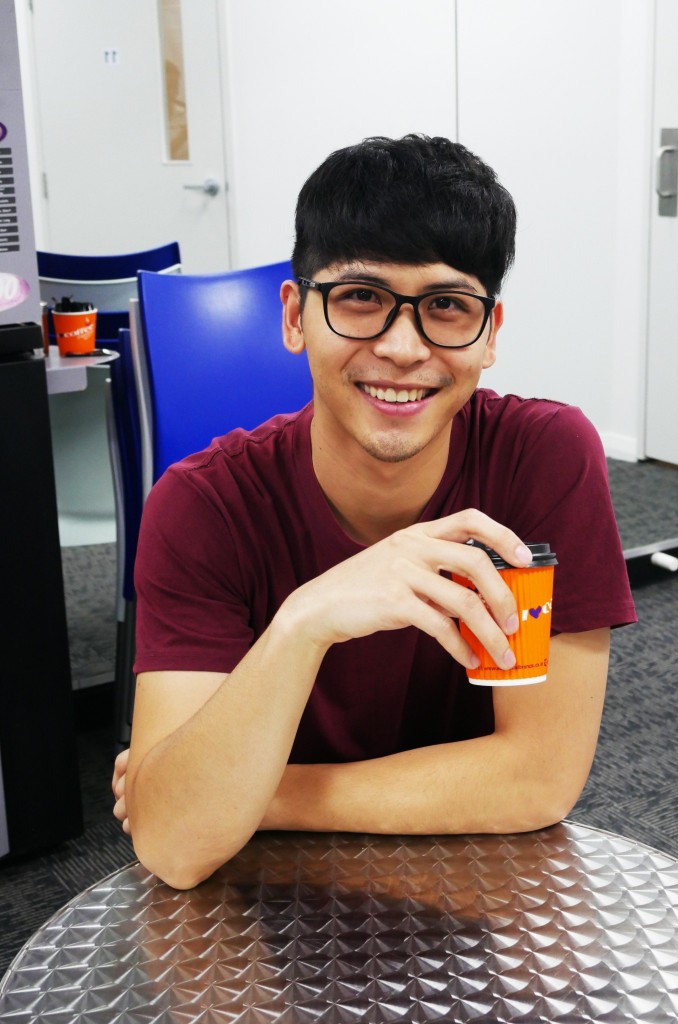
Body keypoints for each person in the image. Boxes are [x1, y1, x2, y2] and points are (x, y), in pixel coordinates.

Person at [112, 134, 636, 890]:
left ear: (490, 333)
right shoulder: (203, 506)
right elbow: (174, 844)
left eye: (446, 306)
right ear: (294, 316)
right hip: (266, 899)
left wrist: (255, 795)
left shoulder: (544, 457)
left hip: (476, 886)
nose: (401, 347)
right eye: (360, 297)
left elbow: (537, 781)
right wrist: (305, 621)